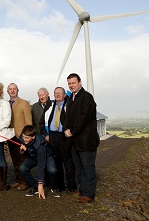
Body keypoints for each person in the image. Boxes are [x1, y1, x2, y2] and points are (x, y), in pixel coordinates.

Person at [65, 73, 99, 203]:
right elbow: (69, 118)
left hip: (86, 140)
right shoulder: (71, 98)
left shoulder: (87, 97)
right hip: (74, 140)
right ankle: (82, 190)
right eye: (69, 83)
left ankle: (88, 194)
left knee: (87, 167)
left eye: (73, 82)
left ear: (80, 83)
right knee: (78, 166)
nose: (71, 85)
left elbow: (84, 117)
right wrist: (67, 131)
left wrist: (72, 131)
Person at [46, 87, 76, 193]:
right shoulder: (51, 105)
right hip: (53, 136)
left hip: (63, 136)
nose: (58, 95)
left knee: (67, 162)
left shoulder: (68, 105)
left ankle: (71, 186)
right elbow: (44, 120)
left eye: (60, 93)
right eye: (56, 93)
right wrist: (46, 134)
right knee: (57, 162)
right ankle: (60, 185)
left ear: (64, 95)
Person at [7, 83, 32, 191]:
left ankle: (24, 182)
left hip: (21, 136)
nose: (12, 91)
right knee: (15, 160)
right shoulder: (6, 104)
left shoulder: (24, 103)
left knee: (23, 159)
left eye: (14, 89)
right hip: (10, 135)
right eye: (10, 89)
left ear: (18, 90)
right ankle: (18, 180)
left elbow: (29, 121)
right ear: (7, 91)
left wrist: (28, 136)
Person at [19, 125, 50, 198]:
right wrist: (22, 151)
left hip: (45, 156)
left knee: (52, 170)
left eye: (27, 138)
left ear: (33, 137)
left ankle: (55, 187)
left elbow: (41, 165)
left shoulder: (40, 143)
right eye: (23, 137)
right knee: (23, 168)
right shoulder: (22, 138)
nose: (24, 139)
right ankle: (33, 186)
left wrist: (40, 185)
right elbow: (23, 153)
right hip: (32, 156)